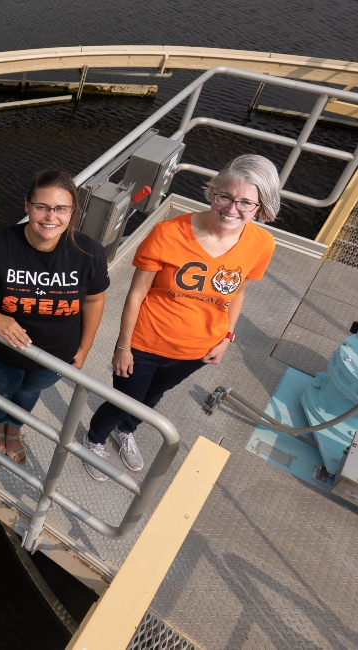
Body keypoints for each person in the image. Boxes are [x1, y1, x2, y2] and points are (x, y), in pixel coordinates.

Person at [83, 154, 278, 480]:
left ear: (260, 207)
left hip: (197, 350)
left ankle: (125, 432)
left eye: (246, 203)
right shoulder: (167, 233)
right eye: (226, 196)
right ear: (213, 191)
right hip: (145, 344)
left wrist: (227, 338)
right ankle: (95, 439)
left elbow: (237, 293)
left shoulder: (261, 243)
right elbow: (136, 294)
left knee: (152, 397)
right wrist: (123, 346)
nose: (232, 209)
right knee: (123, 401)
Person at [0, 169, 109, 465]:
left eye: (61, 208)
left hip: (56, 357)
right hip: (1, 354)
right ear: (27, 205)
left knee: (30, 391)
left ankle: (14, 428)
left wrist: (84, 350)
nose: (50, 217)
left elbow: (94, 300)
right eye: (41, 206)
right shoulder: (1, 245)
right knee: (0, 389)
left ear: (73, 211)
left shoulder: (89, 253)